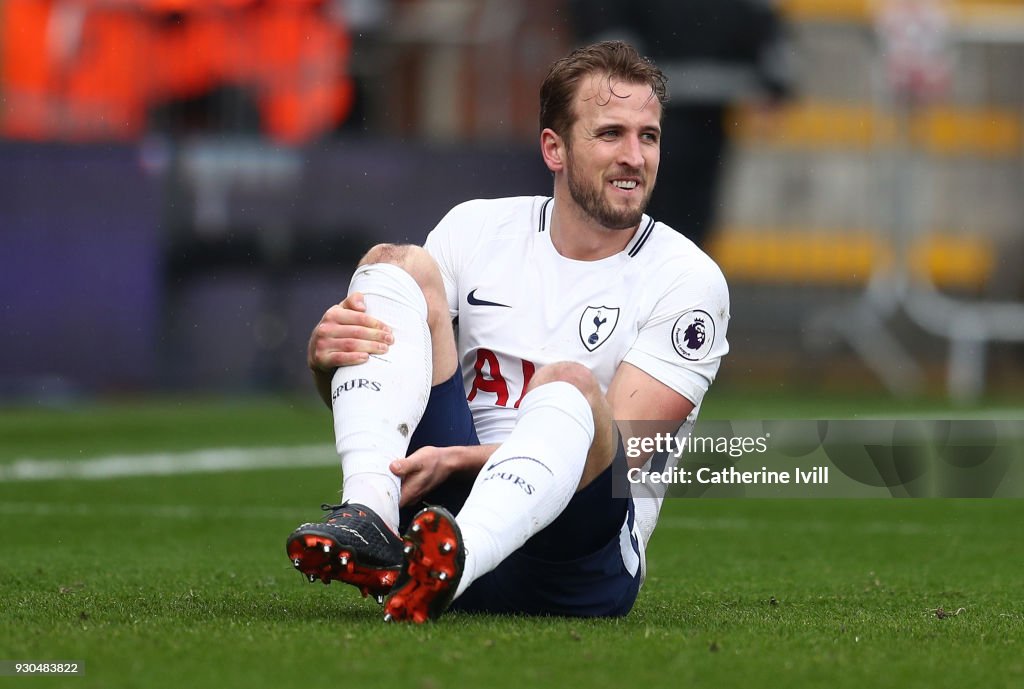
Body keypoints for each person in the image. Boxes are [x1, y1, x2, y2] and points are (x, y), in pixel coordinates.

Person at [285, 40, 730, 623]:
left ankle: (451, 566)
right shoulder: (476, 228)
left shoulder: (687, 277)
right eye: (610, 134)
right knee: (396, 265)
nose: (634, 156)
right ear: (555, 148)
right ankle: (367, 514)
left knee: (568, 387)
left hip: (576, 565)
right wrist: (330, 362)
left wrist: (459, 460)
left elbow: (626, 453)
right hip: (437, 520)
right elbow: (393, 389)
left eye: (647, 136)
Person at [568, 0, 794, 248]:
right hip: (672, 98)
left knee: (670, 210)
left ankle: (667, 270)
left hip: (693, 99)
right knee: (663, 207)